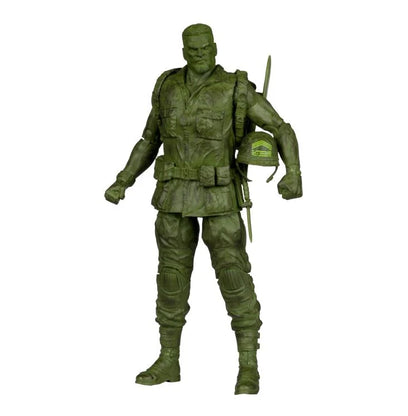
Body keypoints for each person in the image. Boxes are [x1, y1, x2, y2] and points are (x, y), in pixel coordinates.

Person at [105, 23, 302, 395]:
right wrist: (123, 180)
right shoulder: (167, 86)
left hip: (220, 196)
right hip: (173, 196)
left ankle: (248, 366)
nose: (199, 55)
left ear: (214, 47)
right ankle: (168, 359)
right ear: (184, 51)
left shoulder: (235, 88)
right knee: (170, 280)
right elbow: (149, 140)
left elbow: (281, 127)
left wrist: (293, 173)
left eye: (204, 48)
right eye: (192, 49)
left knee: (233, 276)